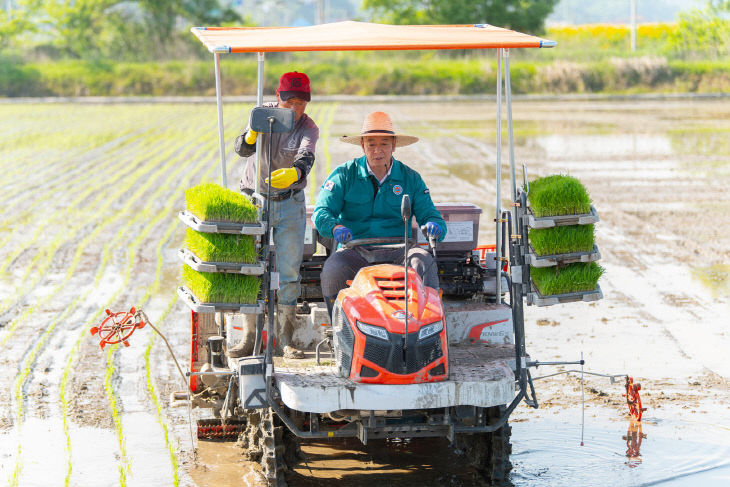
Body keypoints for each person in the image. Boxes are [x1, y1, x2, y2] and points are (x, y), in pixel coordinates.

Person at [312, 111, 446, 318]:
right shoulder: (344, 174)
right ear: (362, 146)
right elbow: (321, 212)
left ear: (394, 145)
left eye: (384, 144)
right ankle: (338, 328)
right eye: (371, 144)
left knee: (423, 261)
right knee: (334, 269)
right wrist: (334, 227)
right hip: (354, 250)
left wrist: (434, 227)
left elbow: (431, 215)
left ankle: (425, 327)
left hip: (400, 251)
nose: (378, 151)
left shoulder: (411, 178)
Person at [230, 71, 319, 359]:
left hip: (290, 202)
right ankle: (250, 337)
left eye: (301, 102)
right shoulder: (261, 115)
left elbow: (307, 156)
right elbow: (242, 149)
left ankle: (285, 338)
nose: (295, 108)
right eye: (289, 101)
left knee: (290, 271)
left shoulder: (308, 127)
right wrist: (252, 134)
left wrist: (295, 172)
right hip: (255, 200)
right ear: (278, 98)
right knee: (250, 267)